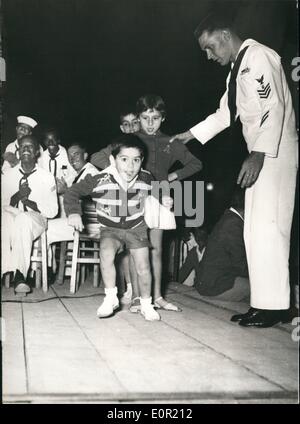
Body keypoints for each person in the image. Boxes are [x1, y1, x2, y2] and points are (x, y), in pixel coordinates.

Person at [171, 12, 298, 327]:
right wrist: (189, 135)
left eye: (210, 47)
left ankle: (277, 307)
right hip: (261, 154)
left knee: (271, 231)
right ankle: (264, 303)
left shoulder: (260, 56)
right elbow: (225, 114)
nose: (209, 55)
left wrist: (258, 153)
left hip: (274, 153)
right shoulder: (236, 70)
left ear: (225, 35)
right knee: (255, 232)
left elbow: (274, 106)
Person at [92, 95, 202, 312]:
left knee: (156, 250)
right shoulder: (131, 141)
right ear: (139, 118)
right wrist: (121, 173)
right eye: (145, 118)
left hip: (159, 195)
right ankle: (137, 298)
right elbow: (97, 158)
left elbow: (195, 163)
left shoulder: (171, 143)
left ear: (163, 118)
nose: (150, 124)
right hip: (134, 197)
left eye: (155, 118)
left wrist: (171, 177)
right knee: (136, 248)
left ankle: (158, 297)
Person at [64, 134, 173, 321]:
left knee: (144, 267)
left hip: (136, 228)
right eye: (124, 160)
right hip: (110, 229)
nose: (130, 167)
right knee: (106, 253)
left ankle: (146, 304)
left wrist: (164, 198)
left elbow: (157, 188)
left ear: (142, 161)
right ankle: (110, 297)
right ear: (113, 160)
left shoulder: (145, 178)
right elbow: (72, 192)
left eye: (136, 160)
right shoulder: (98, 179)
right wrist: (74, 212)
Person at [90, 108, 141, 304]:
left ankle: (141, 293)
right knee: (124, 246)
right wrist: (116, 171)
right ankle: (129, 288)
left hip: (143, 195)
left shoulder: (147, 143)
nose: (131, 128)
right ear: (121, 127)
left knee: (141, 246)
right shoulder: (118, 145)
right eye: (126, 124)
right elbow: (96, 158)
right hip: (123, 198)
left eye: (134, 123)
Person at [1, 135, 58, 294]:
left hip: (36, 219)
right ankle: (6, 270)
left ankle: (20, 276)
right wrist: (18, 196)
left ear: (37, 152)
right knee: (5, 217)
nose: (26, 149)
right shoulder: (7, 175)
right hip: (12, 216)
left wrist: (27, 201)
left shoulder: (46, 177)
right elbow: (3, 203)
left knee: (24, 219)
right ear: (18, 151)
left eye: (30, 146)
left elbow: (53, 211)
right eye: (22, 146)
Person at [46, 143, 100, 277]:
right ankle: (55, 270)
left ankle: (45, 271)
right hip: (80, 222)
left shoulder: (91, 172)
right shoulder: (78, 173)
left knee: (44, 228)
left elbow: (85, 199)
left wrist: (65, 190)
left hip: (87, 224)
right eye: (69, 155)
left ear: (86, 155)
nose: (72, 158)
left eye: (76, 154)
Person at [194, 188, 249, 301]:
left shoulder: (228, 218)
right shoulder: (233, 224)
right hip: (216, 287)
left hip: (209, 282)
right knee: (262, 289)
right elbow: (241, 265)